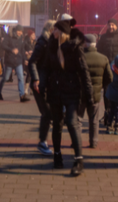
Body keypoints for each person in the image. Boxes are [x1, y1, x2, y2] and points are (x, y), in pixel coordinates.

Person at [45, 14, 94, 176]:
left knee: (72, 122)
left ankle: (79, 160)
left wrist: (89, 96)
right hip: (55, 91)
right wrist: (42, 85)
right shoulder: (51, 46)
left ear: (62, 32)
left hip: (72, 91)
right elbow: (47, 69)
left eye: (56, 29)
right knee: (57, 124)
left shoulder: (74, 49)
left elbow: (84, 72)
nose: (53, 31)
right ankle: (57, 156)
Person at [28, 21, 55, 155]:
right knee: (47, 112)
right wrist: (36, 79)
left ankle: (43, 142)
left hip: (46, 82)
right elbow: (32, 61)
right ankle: (42, 142)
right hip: (40, 83)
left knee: (48, 113)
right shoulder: (43, 42)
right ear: (51, 29)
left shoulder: (49, 42)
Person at [83, 34, 111, 149]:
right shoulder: (103, 58)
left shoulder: (80, 57)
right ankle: (93, 142)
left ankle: (76, 141)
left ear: (85, 44)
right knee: (94, 119)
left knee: (78, 119)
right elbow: (109, 78)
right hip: (96, 94)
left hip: (80, 93)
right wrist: (100, 86)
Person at [0, 25, 27, 102]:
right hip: (10, 61)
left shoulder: (21, 38)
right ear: (15, 30)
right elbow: (3, 45)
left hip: (18, 61)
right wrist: (11, 50)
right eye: (19, 31)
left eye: (21, 31)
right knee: (6, 78)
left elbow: (22, 49)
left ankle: (22, 95)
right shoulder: (9, 36)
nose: (20, 33)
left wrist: (25, 59)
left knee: (21, 78)